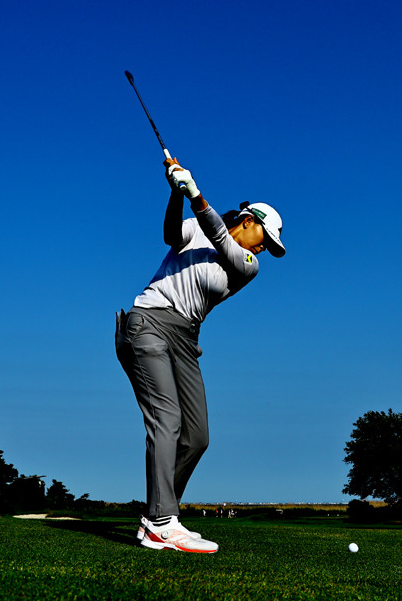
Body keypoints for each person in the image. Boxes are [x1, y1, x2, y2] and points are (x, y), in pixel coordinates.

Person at [115, 157, 285, 553]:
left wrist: (195, 194)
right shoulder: (198, 228)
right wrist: (176, 195)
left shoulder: (248, 264)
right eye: (265, 236)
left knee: (197, 437)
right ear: (248, 219)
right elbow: (171, 234)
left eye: (269, 246)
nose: (264, 247)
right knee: (167, 420)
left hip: (186, 341)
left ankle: (159, 515)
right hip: (148, 323)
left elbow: (221, 239)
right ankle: (161, 522)